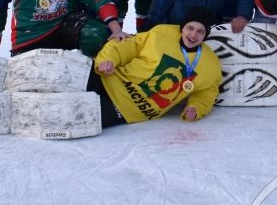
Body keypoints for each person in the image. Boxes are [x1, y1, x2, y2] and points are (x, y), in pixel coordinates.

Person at [90, 7, 222, 127]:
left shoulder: (210, 64)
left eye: (200, 31)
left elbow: (208, 91)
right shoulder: (162, 33)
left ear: (206, 35)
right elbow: (128, 45)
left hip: (128, 107)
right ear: (182, 28)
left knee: (73, 114)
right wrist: (108, 60)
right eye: (190, 28)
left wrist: (197, 107)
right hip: (109, 77)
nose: (193, 35)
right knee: (70, 73)